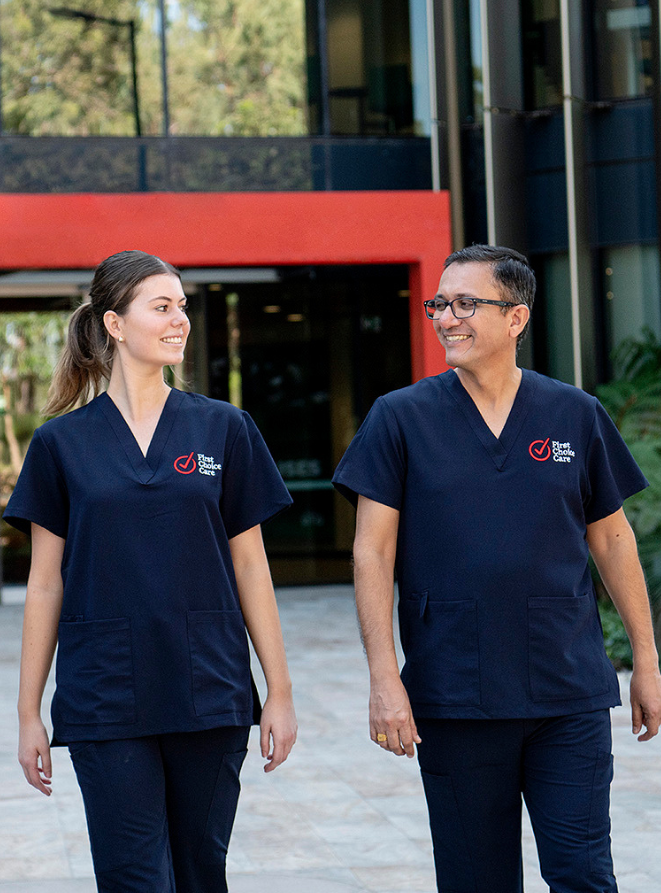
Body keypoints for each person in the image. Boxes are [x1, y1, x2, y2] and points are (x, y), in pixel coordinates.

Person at [332, 245, 661, 893]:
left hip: (566, 692)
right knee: (474, 880)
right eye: (439, 304)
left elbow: (613, 540)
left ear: (515, 318)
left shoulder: (574, 414)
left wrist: (646, 660)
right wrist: (382, 677)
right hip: (455, 694)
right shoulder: (399, 418)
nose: (445, 317)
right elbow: (371, 551)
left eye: (464, 303)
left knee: (583, 874)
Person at [4, 250, 297, 893]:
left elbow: (251, 567)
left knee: (199, 873)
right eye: (162, 307)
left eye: (183, 307)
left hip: (209, 688)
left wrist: (278, 688)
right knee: (133, 876)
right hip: (105, 693)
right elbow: (45, 583)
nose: (180, 320)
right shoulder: (61, 445)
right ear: (114, 324)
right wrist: (28, 712)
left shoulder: (225, 428)